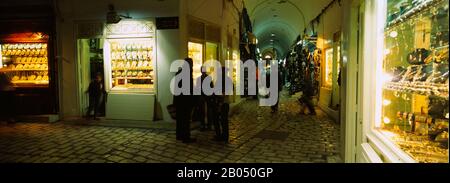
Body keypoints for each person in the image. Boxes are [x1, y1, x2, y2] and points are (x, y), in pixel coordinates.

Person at [175, 58, 196, 143]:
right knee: (186, 119)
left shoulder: (178, 72)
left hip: (179, 100)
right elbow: (190, 90)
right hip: (185, 101)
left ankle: (179, 135)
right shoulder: (187, 74)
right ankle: (186, 137)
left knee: (180, 119)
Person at [214, 67, 233, 143]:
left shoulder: (225, 80)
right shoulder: (226, 79)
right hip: (222, 102)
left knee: (222, 120)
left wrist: (221, 96)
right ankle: (222, 135)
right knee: (222, 120)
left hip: (222, 103)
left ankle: (223, 136)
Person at [197, 67, 214, 131]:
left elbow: (211, 87)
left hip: (207, 97)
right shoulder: (201, 79)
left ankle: (208, 125)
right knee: (202, 111)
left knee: (208, 111)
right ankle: (204, 124)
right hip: (203, 97)